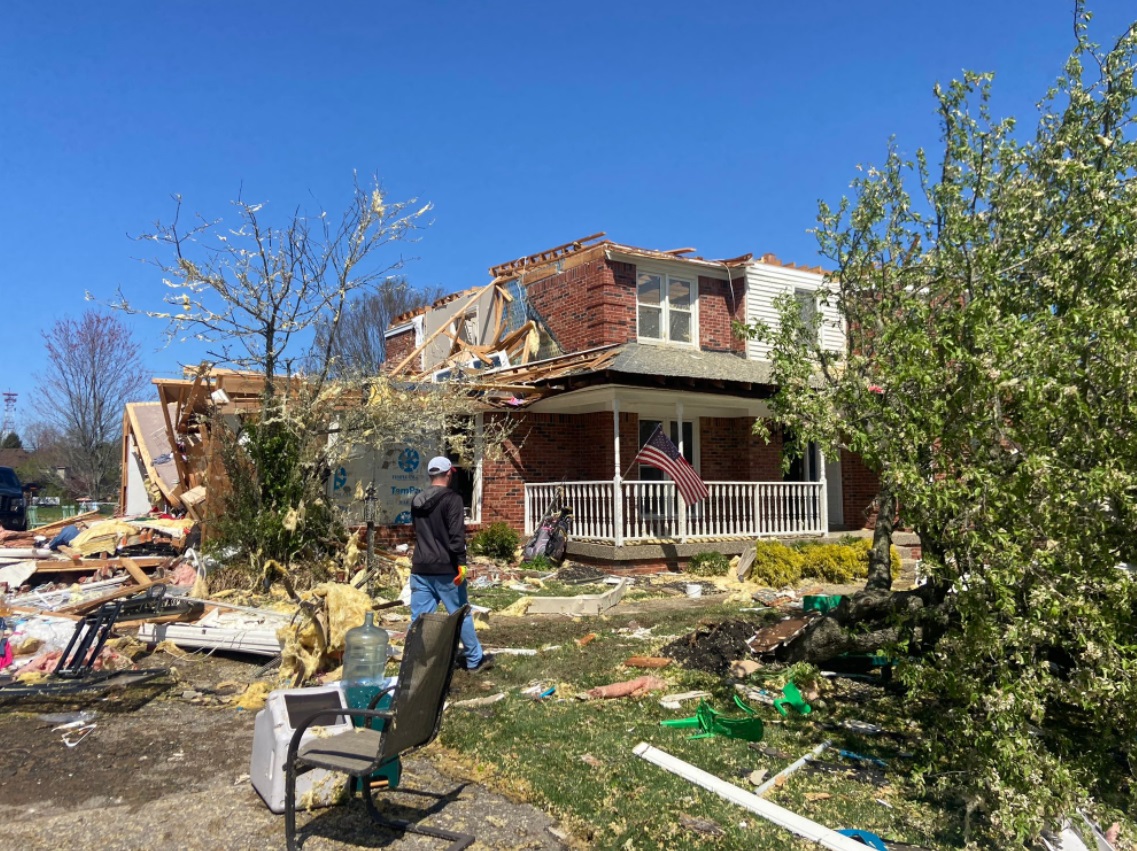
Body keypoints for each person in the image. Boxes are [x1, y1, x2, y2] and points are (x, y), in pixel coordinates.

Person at [410, 456, 492, 672]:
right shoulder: (452, 499)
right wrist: (461, 564)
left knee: (420, 620)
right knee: (460, 613)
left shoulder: (416, 500)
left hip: (420, 568)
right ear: (448, 474)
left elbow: (417, 532)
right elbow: (456, 535)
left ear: (430, 475)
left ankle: (416, 663)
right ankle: (475, 660)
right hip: (446, 569)